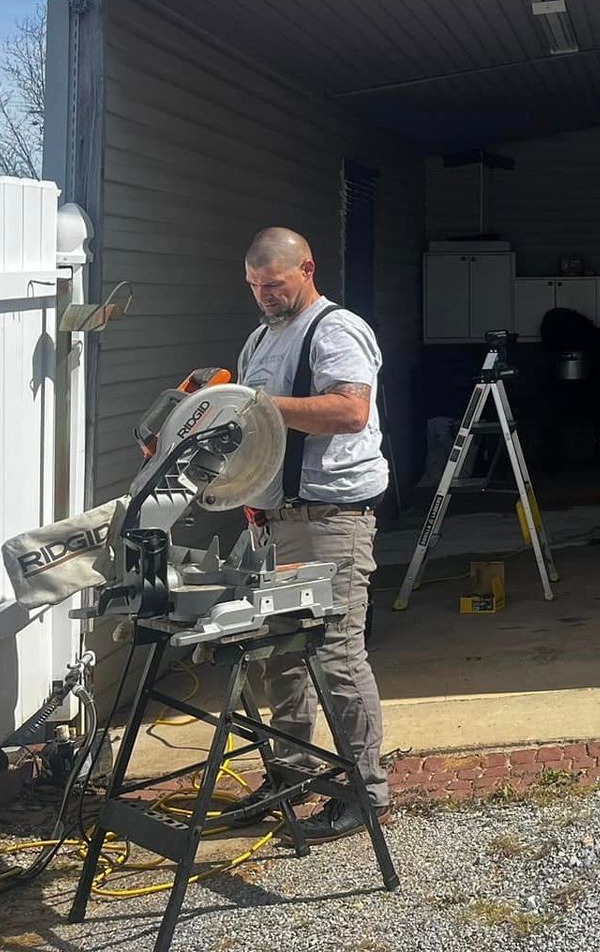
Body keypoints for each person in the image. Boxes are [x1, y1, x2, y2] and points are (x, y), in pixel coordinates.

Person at [234, 226, 391, 839]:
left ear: (307, 269)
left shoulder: (336, 329)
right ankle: (292, 774)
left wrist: (255, 405)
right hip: (276, 523)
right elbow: (259, 431)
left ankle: (366, 791)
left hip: (330, 521)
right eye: (253, 286)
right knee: (283, 656)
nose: (264, 296)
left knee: (335, 655)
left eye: (273, 284)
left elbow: (351, 411)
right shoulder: (259, 338)